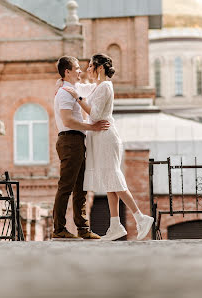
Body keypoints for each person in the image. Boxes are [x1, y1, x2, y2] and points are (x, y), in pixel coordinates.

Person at [61, 53, 154, 241]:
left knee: (114, 178)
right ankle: (115, 225)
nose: (87, 70)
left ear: (100, 68)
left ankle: (140, 217)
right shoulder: (97, 87)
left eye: (90, 66)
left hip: (106, 136)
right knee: (110, 181)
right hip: (100, 137)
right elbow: (82, 87)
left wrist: (77, 97)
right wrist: (63, 83)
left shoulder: (105, 87)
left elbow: (94, 114)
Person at [52, 56, 110, 240]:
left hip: (76, 141)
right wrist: (92, 127)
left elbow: (95, 88)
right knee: (66, 187)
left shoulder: (74, 89)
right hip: (70, 141)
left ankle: (83, 228)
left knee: (80, 187)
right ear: (67, 71)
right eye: (77, 68)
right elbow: (68, 120)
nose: (81, 71)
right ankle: (59, 228)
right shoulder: (64, 93)